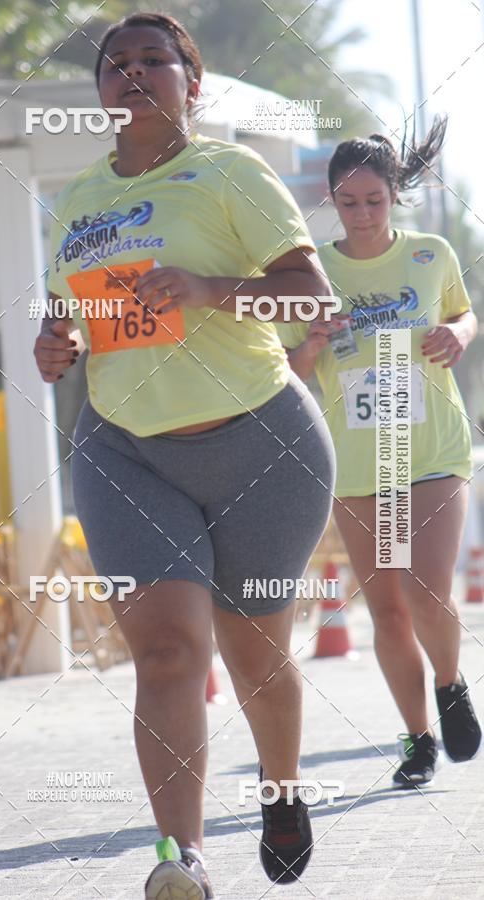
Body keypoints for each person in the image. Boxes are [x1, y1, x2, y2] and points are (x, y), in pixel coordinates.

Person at [34, 12, 336, 897]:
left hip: (263, 446)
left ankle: (282, 790)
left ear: (190, 87)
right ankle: (184, 861)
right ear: (100, 94)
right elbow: (72, 315)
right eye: (115, 63)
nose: (132, 73)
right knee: (167, 654)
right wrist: (57, 344)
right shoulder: (82, 198)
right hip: (125, 452)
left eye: (154, 61)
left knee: (257, 656)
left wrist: (211, 290)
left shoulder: (230, 172)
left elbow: (310, 297)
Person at [279, 119, 481, 789]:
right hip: (361, 462)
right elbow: (288, 370)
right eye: (348, 203)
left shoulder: (431, 254)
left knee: (427, 590)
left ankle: (450, 685)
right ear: (331, 201)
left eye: (374, 200)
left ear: (394, 195)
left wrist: (457, 333)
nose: (362, 215)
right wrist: (312, 342)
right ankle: (417, 739)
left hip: (429, 446)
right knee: (386, 608)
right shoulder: (314, 271)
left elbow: (463, 313)